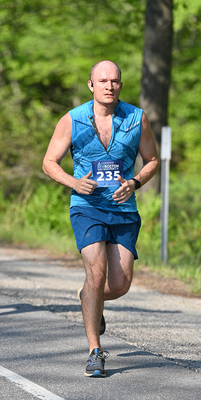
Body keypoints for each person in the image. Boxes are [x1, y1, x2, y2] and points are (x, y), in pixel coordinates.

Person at [42, 60, 159, 377]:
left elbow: (151, 160)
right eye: (103, 80)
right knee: (95, 273)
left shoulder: (137, 118)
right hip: (87, 206)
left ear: (121, 84)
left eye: (115, 81)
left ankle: (86, 298)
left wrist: (135, 182)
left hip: (123, 209)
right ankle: (95, 351)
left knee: (119, 285)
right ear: (91, 85)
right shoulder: (72, 119)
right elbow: (49, 163)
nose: (109, 85)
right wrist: (73, 182)